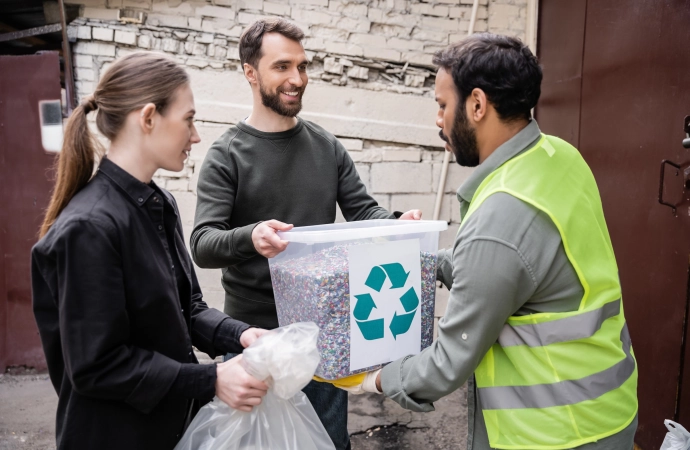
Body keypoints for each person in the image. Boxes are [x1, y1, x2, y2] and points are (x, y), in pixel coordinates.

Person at [343, 34, 639, 449]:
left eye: (442, 105)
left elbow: (447, 364)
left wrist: (369, 379)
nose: (438, 119)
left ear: (477, 105)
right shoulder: (557, 156)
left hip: (553, 432)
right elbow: (521, 266)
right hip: (609, 407)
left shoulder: (503, 214)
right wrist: (424, 262)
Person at [190, 18, 421, 450]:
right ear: (250, 72)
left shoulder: (326, 146)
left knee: (329, 443)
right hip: (253, 341)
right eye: (282, 67)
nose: (297, 79)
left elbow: (363, 211)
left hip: (323, 337)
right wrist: (251, 236)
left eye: (302, 66)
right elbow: (203, 243)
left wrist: (395, 222)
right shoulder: (226, 154)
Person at [31, 52, 270, 450]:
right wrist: (211, 380)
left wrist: (242, 335)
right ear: (147, 118)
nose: (195, 136)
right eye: (189, 119)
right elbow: (97, 365)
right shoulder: (89, 227)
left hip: (168, 428)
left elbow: (187, 307)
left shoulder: (157, 203)